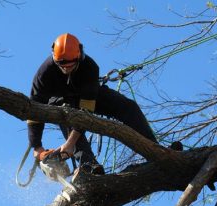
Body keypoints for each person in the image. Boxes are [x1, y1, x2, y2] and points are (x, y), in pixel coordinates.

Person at [27, 33, 160, 174]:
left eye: (70, 65)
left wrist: (70, 143)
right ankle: (90, 166)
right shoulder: (44, 74)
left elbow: (86, 111)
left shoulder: (89, 67)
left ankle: (156, 151)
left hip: (87, 98)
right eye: (62, 65)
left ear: (78, 57)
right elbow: (34, 110)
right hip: (61, 103)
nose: (66, 69)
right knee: (65, 114)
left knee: (128, 107)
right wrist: (36, 146)